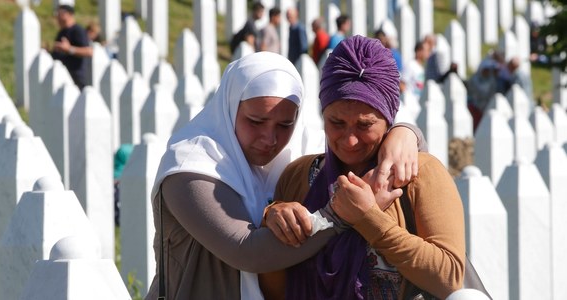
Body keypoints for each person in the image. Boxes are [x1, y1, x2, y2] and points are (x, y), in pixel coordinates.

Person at [145, 51, 423, 300]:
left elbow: (365, 140)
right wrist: (338, 216)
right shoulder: (191, 167)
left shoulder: (298, 151)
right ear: (230, 107)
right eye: (255, 121)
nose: (269, 138)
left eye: (284, 124)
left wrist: (406, 133)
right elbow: (247, 250)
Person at [262, 36, 465, 299]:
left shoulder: (419, 174)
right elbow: (274, 287)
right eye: (336, 122)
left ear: (389, 117)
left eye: (365, 125)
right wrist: (272, 218)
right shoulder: (300, 176)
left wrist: (368, 218)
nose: (350, 140)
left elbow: (449, 277)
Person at [50, 5, 93, 90]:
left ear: (70, 14)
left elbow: (89, 51)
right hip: (64, 77)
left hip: (76, 77)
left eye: (61, 14)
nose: (58, 16)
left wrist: (69, 49)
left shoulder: (78, 30)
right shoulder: (62, 32)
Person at [467, 59, 499, 130]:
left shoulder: (492, 80)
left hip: (487, 106)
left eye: (488, 70)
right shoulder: (474, 79)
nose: (486, 72)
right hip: (475, 106)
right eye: (485, 70)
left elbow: (491, 93)